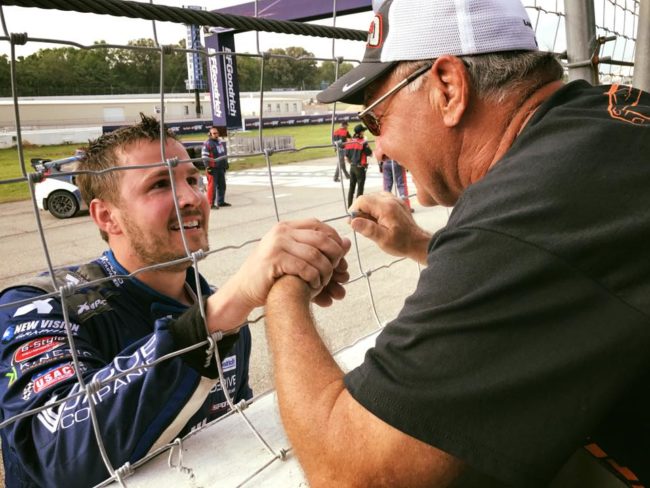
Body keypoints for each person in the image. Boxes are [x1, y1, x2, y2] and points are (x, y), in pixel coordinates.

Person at [264, 0, 650, 486]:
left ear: (448, 87)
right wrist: (420, 244)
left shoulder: (525, 205)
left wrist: (282, 285)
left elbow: (354, 472)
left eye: (375, 120)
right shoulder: (600, 120)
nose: (377, 146)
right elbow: (567, 270)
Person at [0, 114, 349, 487]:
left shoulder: (214, 307)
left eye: (193, 179)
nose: (192, 198)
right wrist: (219, 313)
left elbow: (234, 431)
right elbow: (57, 455)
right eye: (160, 184)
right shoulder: (38, 306)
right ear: (106, 216)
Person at [345, 124, 373, 208]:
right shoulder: (363, 143)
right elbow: (370, 154)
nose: (364, 132)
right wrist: (366, 143)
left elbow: (346, 157)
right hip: (360, 168)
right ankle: (357, 208)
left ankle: (349, 206)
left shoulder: (350, 142)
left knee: (351, 188)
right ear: (360, 132)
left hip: (352, 167)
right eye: (363, 131)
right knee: (360, 189)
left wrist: (352, 164)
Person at [201, 126, 230, 208]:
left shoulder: (219, 142)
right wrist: (207, 167)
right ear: (209, 134)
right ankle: (210, 204)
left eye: (217, 133)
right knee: (212, 187)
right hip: (212, 168)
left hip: (220, 167)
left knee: (222, 186)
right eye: (214, 133)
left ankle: (221, 202)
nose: (216, 135)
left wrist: (226, 163)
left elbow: (222, 154)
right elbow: (204, 156)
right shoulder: (207, 144)